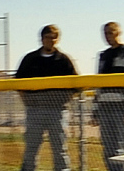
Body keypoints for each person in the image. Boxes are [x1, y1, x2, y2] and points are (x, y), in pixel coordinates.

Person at [14, 25, 79, 171]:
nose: (51, 41)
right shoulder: (30, 59)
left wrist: (61, 100)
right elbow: (18, 83)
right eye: (48, 37)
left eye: (54, 37)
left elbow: (76, 84)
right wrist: (28, 102)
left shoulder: (63, 60)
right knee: (31, 149)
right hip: (34, 111)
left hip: (57, 112)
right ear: (42, 39)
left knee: (59, 149)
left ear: (58, 39)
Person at [94, 22, 124, 171]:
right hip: (105, 108)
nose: (108, 36)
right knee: (110, 148)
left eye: (111, 32)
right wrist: (95, 110)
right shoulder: (103, 55)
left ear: (118, 33)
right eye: (105, 33)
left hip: (123, 108)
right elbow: (99, 83)